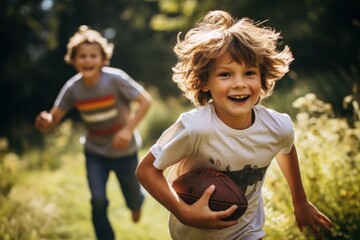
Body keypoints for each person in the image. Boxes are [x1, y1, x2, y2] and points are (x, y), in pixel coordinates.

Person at [136, 10, 333, 240]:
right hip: (193, 235)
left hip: (247, 231)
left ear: (262, 78)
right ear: (205, 82)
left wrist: (300, 202)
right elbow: (147, 170)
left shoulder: (278, 126)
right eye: (225, 75)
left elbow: (286, 150)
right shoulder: (195, 127)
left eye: (249, 73)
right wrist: (184, 212)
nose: (239, 84)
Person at [35, 25, 152, 240]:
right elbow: (54, 118)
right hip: (95, 153)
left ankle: (137, 203)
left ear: (102, 58)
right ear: (73, 59)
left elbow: (145, 101)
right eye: (82, 56)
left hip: (124, 151)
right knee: (97, 200)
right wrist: (46, 121)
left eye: (93, 56)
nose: (88, 60)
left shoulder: (115, 79)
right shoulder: (73, 88)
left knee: (132, 197)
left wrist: (127, 130)